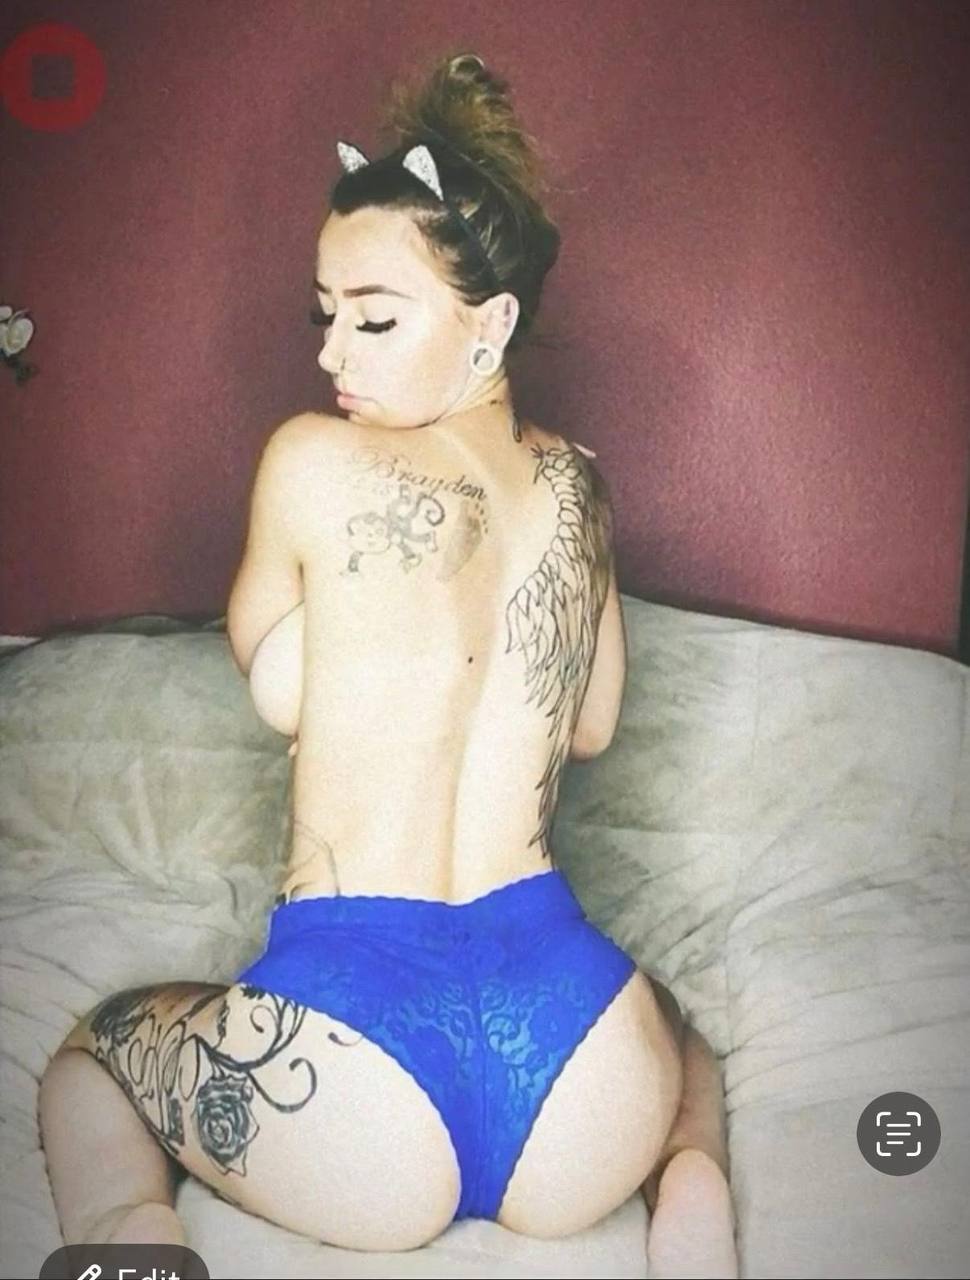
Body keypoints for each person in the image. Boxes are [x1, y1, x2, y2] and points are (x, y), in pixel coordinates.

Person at [37, 52, 737, 1277]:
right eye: (324, 315)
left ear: (491, 325)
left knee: (97, 1049)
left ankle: (126, 1232)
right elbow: (591, 723)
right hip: (579, 1069)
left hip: (344, 1071)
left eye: (373, 318)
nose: (332, 356)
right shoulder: (579, 486)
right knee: (680, 1041)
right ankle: (691, 1195)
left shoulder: (307, 458)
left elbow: (277, 680)